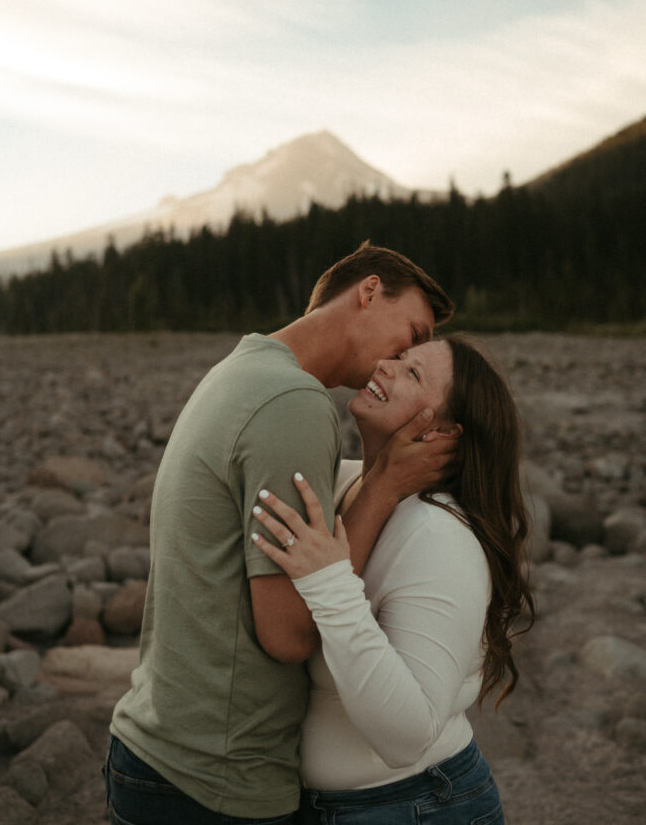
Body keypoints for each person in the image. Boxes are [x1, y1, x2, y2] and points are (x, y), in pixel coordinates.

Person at [105, 242, 459, 824]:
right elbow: (288, 633)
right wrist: (385, 485)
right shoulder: (293, 402)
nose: (406, 354)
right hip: (214, 779)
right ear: (368, 292)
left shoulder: (242, 368)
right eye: (413, 331)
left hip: (159, 752)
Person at [251, 334, 535, 824]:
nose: (384, 365)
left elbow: (408, 736)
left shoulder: (439, 534)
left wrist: (330, 585)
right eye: (400, 358)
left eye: (413, 374)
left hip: (417, 806)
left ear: (443, 434)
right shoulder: (345, 483)